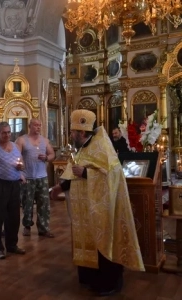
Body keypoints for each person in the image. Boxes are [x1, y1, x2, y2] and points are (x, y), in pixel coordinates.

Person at [50, 109, 144, 297]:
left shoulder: (102, 148)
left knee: (105, 241)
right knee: (89, 242)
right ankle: (92, 278)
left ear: (82, 133)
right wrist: (60, 187)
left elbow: (113, 174)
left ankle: (110, 282)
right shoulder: (83, 149)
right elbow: (73, 173)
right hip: (86, 209)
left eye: (73, 132)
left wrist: (85, 173)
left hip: (103, 209)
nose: (71, 135)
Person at [0, 121, 26, 259]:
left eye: (9, 132)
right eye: (4, 132)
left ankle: (12, 245)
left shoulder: (15, 146)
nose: (7, 135)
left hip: (14, 184)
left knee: (14, 217)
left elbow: (21, 163)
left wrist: (21, 169)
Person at [16, 118, 56, 237]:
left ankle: (43, 227)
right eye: (35, 125)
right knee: (27, 203)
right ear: (30, 126)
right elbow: (17, 155)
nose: (38, 127)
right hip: (27, 177)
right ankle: (27, 226)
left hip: (42, 177)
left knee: (44, 203)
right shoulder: (22, 140)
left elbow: (52, 154)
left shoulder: (44, 140)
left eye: (39, 125)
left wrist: (46, 158)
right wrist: (20, 171)